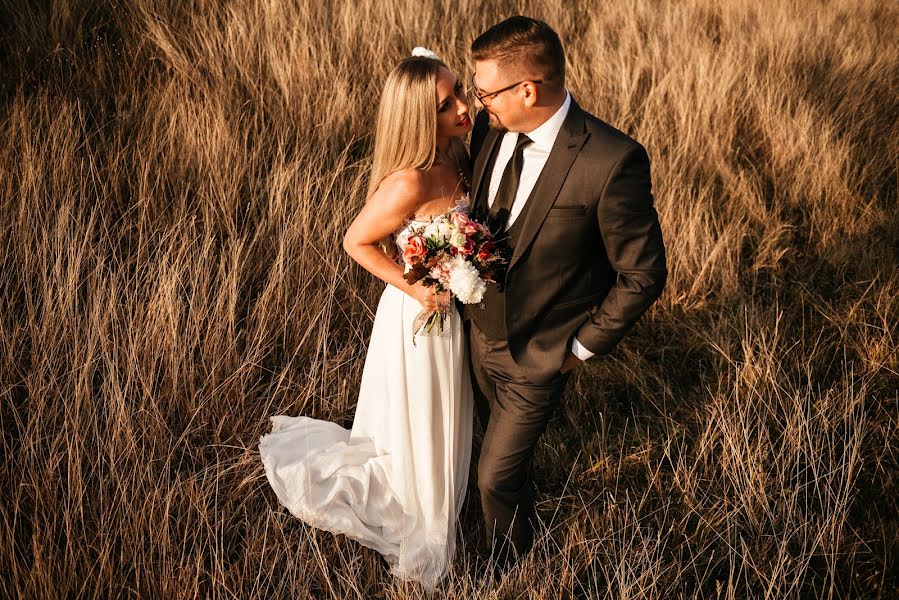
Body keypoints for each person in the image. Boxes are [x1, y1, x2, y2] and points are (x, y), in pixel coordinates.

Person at [258, 49, 475, 592]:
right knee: (424, 413)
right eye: (447, 105)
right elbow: (355, 240)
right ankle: (422, 513)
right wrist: (417, 286)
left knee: (450, 410)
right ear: (419, 119)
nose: (464, 107)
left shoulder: (458, 153)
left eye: (458, 92)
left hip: (454, 309)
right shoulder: (407, 182)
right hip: (419, 316)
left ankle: (447, 491)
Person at [462, 16, 668, 569]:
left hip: (544, 355)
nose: (479, 104)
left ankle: (508, 569)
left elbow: (643, 274)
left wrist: (578, 349)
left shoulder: (610, 159)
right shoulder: (489, 132)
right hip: (477, 337)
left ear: (526, 89)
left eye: (485, 92)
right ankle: (519, 522)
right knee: (499, 456)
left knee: (493, 478)